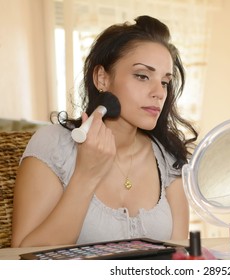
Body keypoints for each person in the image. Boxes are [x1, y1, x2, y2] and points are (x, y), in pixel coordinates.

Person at [11, 15, 198, 247]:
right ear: (102, 78)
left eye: (164, 82)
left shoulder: (168, 157)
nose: (158, 92)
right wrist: (86, 175)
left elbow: (179, 258)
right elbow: (22, 258)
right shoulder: (53, 145)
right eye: (142, 76)